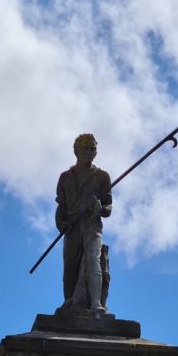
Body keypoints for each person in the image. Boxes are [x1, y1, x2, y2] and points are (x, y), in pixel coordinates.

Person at [55, 133, 112, 315]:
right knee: (70, 264)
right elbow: (61, 207)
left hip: (91, 224)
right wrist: (60, 224)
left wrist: (100, 208)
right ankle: (69, 301)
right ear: (76, 151)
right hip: (72, 227)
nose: (90, 152)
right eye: (86, 148)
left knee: (93, 258)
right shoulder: (65, 177)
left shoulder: (102, 176)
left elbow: (108, 207)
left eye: (93, 149)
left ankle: (96, 303)